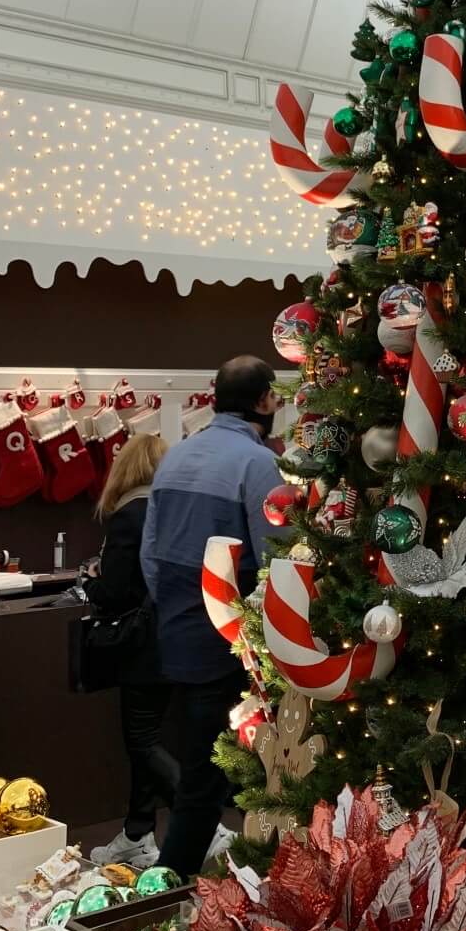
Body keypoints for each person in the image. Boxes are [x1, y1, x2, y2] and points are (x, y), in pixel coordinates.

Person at [142, 355, 281, 877]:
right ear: (265, 400)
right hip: (231, 639)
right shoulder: (257, 464)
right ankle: (167, 887)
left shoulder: (175, 456)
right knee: (215, 774)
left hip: (178, 630)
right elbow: (275, 561)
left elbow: (150, 555)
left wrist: (174, 610)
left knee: (201, 763)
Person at [89, 433, 177, 871]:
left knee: (140, 740)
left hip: (142, 646)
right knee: (152, 739)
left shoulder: (128, 516)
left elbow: (114, 591)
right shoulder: (174, 511)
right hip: (180, 638)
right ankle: (137, 834)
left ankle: (197, 817)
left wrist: (91, 582)